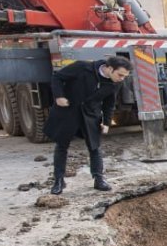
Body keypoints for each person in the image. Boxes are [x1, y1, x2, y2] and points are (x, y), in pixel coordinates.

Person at [44, 55, 132, 195]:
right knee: (62, 145)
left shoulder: (116, 83)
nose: (122, 78)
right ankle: (59, 181)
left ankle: (99, 179)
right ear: (109, 68)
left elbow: (109, 103)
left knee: (94, 147)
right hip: (69, 111)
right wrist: (59, 96)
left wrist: (107, 122)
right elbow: (57, 77)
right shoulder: (82, 67)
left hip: (91, 115)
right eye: (120, 75)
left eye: (125, 76)